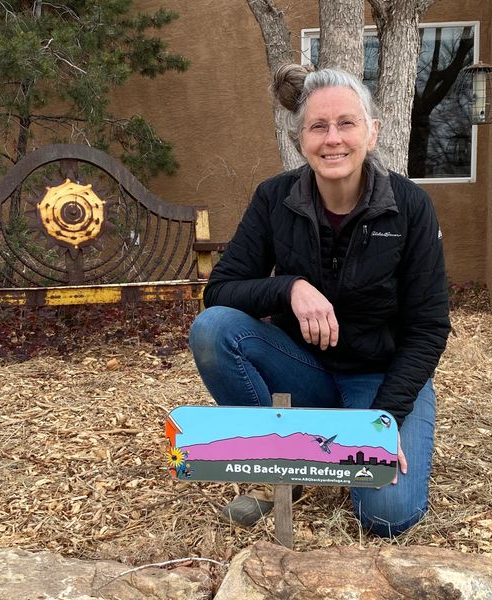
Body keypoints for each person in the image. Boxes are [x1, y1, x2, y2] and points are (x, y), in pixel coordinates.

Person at [189, 64, 451, 538]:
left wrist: (386, 418)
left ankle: (335, 445)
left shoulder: (410, 206)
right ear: (300, 139)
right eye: (318, 126)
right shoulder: (274, 198)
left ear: (371, 133)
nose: (333, 139)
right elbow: (220, 291)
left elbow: (429, 327)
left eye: (347, 123)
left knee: (388, 515)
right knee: (214, 329)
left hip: (378, 377)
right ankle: (279, 467)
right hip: (302, 367)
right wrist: (288, 286)